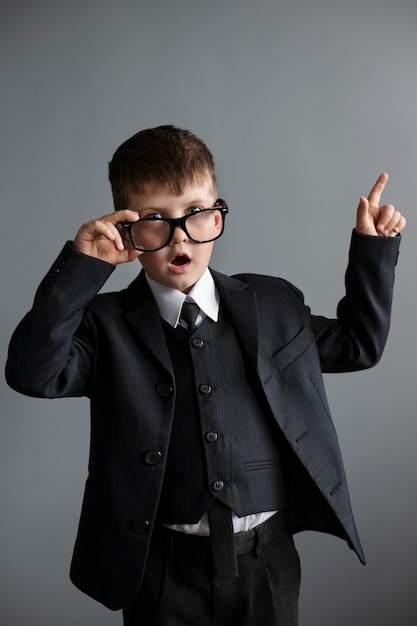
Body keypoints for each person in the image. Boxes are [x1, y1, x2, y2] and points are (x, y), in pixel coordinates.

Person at [5, 125, 406, 626]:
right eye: (154, 219)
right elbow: (31, 373)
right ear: (125, 228)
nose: (179, 236)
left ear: (217, 214)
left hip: (266, 558)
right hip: (160, 567)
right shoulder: (103, 323)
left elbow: (357, 345)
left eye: (196, 214)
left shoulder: (274, 302)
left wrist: (372, 251)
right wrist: (84, 268)